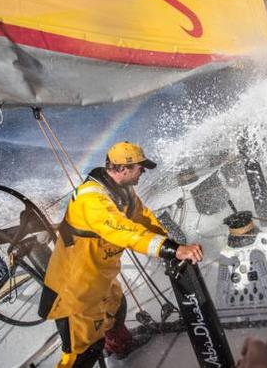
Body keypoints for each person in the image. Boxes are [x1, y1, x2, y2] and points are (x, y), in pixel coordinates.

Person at [39, 141, 204, 368]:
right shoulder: (92, 200)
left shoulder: (123, 190)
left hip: (99, 278)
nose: (143, 172)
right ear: (122, 169)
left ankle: (120, 346)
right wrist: (172, 250)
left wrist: (172, 246)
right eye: (140, 168)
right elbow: (124, 231)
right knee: (83, 354)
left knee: (117, 308)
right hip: (75, 290)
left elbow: (143, 219)